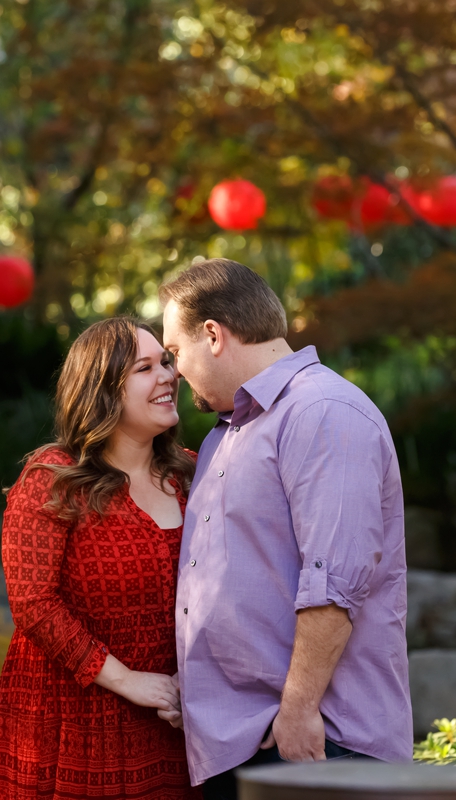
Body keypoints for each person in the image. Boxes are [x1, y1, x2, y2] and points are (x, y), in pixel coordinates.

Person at [159, 259, 412, 800]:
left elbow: (335, 581)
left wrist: (297, 711)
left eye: (174, 352)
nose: (173, 371)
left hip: (315, 740)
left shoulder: (324, 412)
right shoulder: (223, 437)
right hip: (241, 741)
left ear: (213, 334)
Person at [0, 316, 203, 800]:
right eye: (144, 368)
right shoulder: (53, 479)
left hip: (171, 719)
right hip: (70, 723)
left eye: (166, 362)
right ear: (102, 390)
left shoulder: (194, 474)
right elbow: (33, 602)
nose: (167, 375)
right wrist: (126, 681)